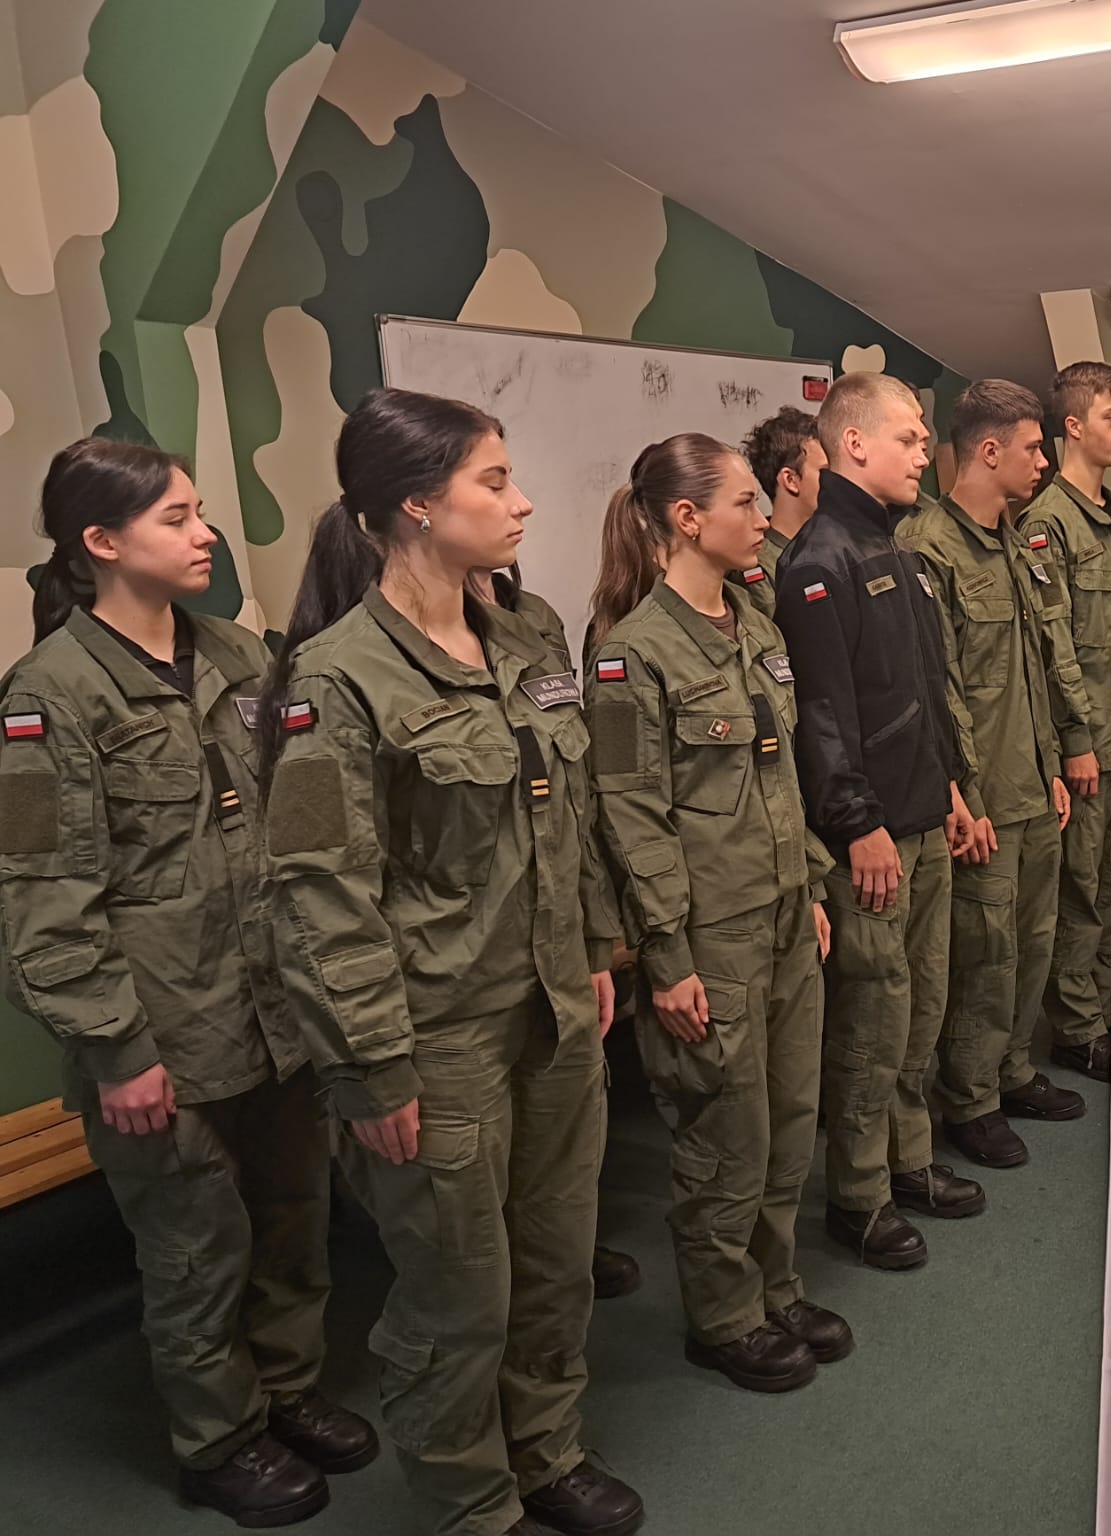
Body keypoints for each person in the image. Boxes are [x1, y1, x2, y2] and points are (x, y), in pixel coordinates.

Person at [260, 388, 642, 1536]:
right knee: (457, 1294)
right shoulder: (338, 678)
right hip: (438, 1039)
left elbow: (571, 812)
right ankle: (472, 1502)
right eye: (494, 481)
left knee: (555, 1261)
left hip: (553, 1011)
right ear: (418, 507)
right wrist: (373, 1067)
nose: (521, 503)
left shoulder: (528, 636)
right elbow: (321, 893)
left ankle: (546, 1450)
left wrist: (592, 949)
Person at [0, 440, 375, 1527]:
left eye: (200, 511)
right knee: (196, 1251)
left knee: (293, 1218)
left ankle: (286, 1390)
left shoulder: (240, 657)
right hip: (165, 1034)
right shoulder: (49, 697)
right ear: (102, 542)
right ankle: (220, 1439)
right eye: (176, 517)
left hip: (277, 1011)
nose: (204, 533)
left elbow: (303, 820)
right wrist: (116, 1049)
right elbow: (41, 894)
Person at [583, 431, 850, 1392]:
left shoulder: (756, 627)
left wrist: (809, 886)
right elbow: (632, 818)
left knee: (788, 1116)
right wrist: (667, 957)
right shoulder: (633, 655)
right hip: (708, 934)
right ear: (688, 519)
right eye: (745, 503)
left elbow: (782, 779)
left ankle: (776, 1287)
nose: (763, 518)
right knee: (723, 1130)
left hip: (780, 914)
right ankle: (724, 1313)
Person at [773, 371, 985, 1271]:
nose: (923, 453)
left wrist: (952, 791)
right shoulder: (820, 563)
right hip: (872, 838)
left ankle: (909, 1161)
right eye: (908, 438)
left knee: (920, 1004)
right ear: (853, 443)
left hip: (925, 816)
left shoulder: (897, 549)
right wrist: (859, 825)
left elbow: (925, 694)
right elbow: (822, 717)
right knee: (873, 1015)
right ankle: (859, 1197)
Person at [899, 381, 1088, 1170]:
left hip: (1030, 783)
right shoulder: (926, 547)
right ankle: (970, 1098)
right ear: (988, 450)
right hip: (983, 798)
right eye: (1034, 448)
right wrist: (961, 796)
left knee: (1033, 943)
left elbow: (1032, 669)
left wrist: (1053, 762)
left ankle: (1010, 1071)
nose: (1044, 461)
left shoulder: (1013, 541)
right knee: (984, 952)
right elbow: (935, 689)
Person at [474, 563, 642, 1304]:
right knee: (467, 1262)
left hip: (558, 945)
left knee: (559, 1195)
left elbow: (576, 796)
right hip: (461, 978)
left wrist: (597, 940)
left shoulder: (533, 618)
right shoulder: (349, 666)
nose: (521, 508)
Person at [1018, 361, 1111, 1083]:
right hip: (1089, 745)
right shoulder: (1047, 523)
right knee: (1080, 890)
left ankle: (1109, 1011)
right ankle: (1077, 1029)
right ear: (1073, 425)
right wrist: (1074, 741)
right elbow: (1055, 649)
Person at [733, 407, 825, 617]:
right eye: (825, 471)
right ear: (791, 480)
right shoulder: (758, 564)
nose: (837, 480)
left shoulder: (837, 547)